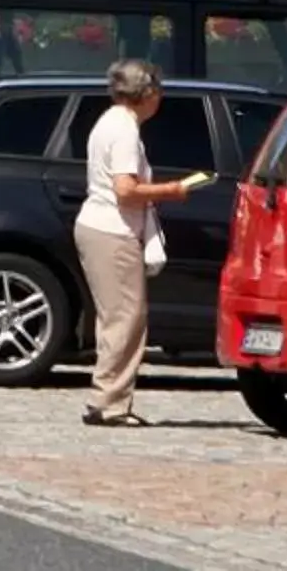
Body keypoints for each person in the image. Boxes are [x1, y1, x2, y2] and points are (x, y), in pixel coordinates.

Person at [73, 58, 208, 427]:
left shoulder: (110, 121)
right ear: (147, 93)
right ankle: (110, 403)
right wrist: (172, 190)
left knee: (114, 317)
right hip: (112, 229)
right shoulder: (124, 130)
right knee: (127, 319)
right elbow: (126, 190)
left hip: (99, 226)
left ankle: (106, 396)